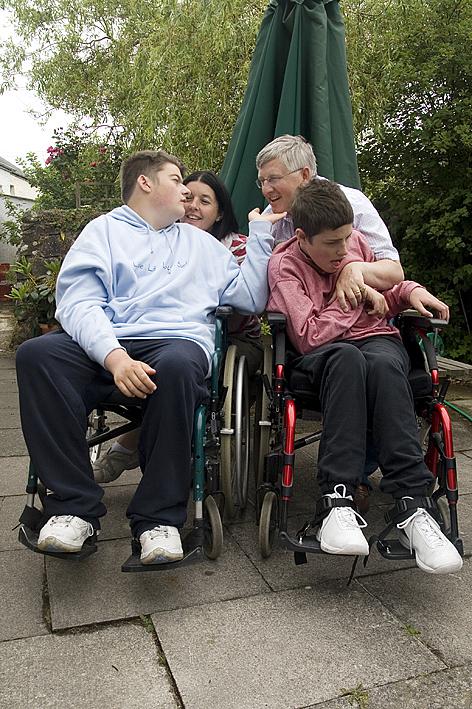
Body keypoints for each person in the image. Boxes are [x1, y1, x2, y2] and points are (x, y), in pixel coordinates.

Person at [16, 150, 281, 565]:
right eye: (177, 180)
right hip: (108, 343)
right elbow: (79, 303)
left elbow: (248, 298)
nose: (187, 192)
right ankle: (72, 507)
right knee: (37, 355)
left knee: (178, 365)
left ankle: (158, 520)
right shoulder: (102, 232)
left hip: (174, 343)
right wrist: (114, 357)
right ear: (145, 183)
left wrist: (261, 236)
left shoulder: (201, 245)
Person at [265, 178, 462, 575]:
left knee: (387, 364)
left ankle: (414, 506)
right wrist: (350, 296)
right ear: (302, 237)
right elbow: (310, 334)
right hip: (322, 358)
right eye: (332, 244)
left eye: (347, 239)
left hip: (376, 343)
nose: (344, 251)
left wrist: (408, 292)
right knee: (349, 360)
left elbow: (386, 293)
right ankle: (337, 499)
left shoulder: (354, 245)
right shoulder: (284, 265)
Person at [93, 169, 264, 484]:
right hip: (168, 334)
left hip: (233, 337)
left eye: (205, 201)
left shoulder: (236, 246)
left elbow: (244, 301)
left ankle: (131, 446)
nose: (194, 207)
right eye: (189, 198)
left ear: (220, 212)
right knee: (162, 364)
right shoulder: (157, 240)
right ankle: (145, 449)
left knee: (184, 367)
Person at [257, 134, 405, 314]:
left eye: (273, 179)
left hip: (362, 320)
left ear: (304, 175)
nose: (266, 189)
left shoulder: (352, 204)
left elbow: (394, 272)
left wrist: (354, 269)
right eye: (262, 181)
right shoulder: (269, 219)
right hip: (307, 326)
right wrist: (256, 236)